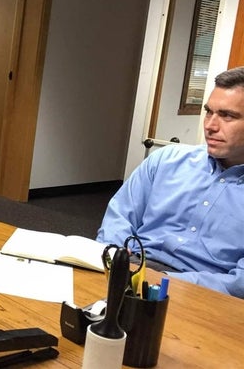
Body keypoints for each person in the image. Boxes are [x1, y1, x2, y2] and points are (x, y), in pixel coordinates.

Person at [97, 66, 244, 298]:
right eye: (208, 112)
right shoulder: (167, 160)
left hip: (199, 292)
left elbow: (239, 283)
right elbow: (120, 215)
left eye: (227, 116)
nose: (210, 126)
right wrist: (115, 257)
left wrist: (162, 282)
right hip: (129, 267)